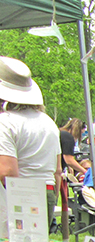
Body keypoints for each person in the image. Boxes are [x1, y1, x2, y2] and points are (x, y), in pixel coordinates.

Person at [0, 56, 61, 226]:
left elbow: (7, 173)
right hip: (46, 192)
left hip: (19, 194)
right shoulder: (48, 122)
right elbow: (57, 170)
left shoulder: (6, 122)